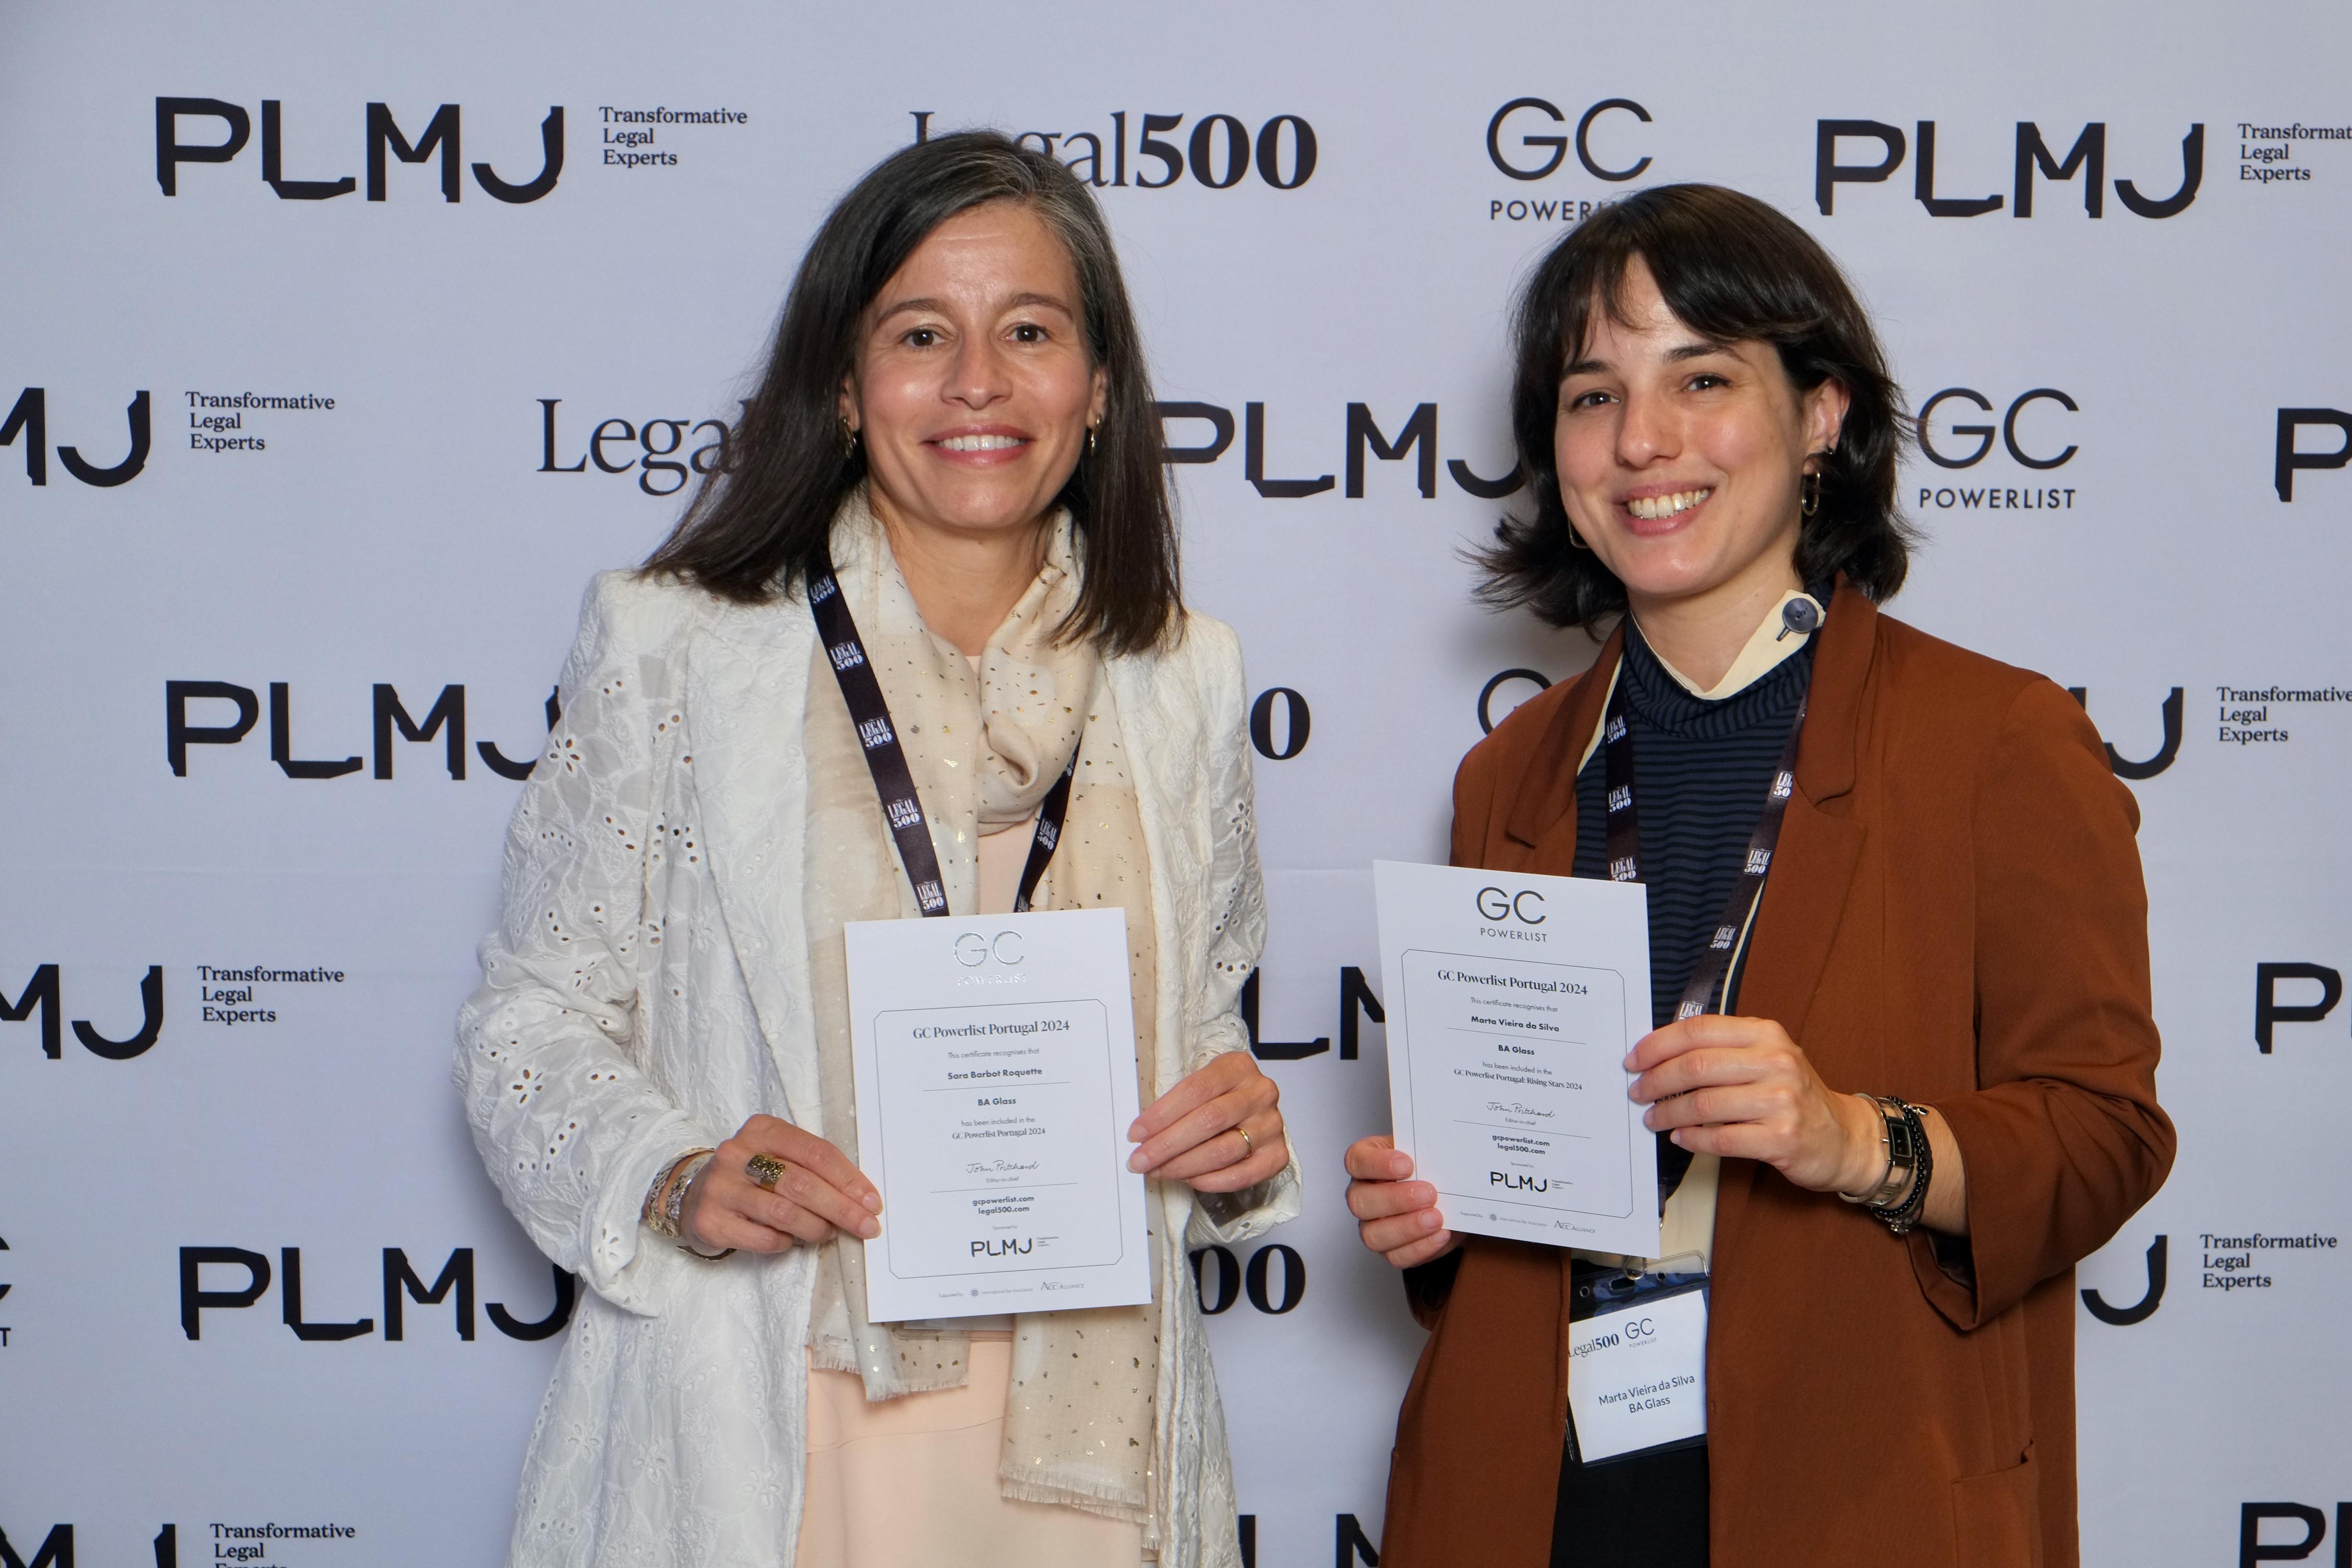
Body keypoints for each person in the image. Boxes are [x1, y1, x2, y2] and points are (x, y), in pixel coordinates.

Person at [457, 131, 1298, 1568]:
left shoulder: (1184, 674)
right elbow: (528, 1018)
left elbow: (1197, 1027)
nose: (977, 380)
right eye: (921, 334)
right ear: (845, 388)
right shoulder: (676, 643)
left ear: (1098, 387)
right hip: (783, 1416)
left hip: (1092, 1446)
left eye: (1029, 331)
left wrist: (1232, 1144)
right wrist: (671, 1172)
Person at [1343, 184, 2173, 1568]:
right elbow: (1518, 1201)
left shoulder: (1996, 740)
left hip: (1857, 1487)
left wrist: (1857, 1139)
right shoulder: (1511, 774)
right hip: (1533, 1496)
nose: (1642, 440)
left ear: (1822, 415)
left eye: (1703, 378)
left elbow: (2105, 1139)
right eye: (1594, 395)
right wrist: (1438, 1223)